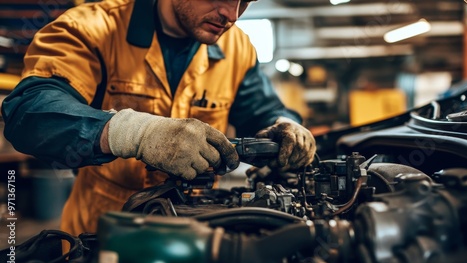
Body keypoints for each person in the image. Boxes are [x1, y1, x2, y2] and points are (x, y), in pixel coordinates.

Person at [1, 0, 316, 236]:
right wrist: (133, 132)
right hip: (102, 235)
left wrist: (284, 123)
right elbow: (29, 111)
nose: (232, 15)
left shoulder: (237, 47)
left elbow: (261, 111)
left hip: (200, 233)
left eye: (245, 1)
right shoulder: (91, 28)